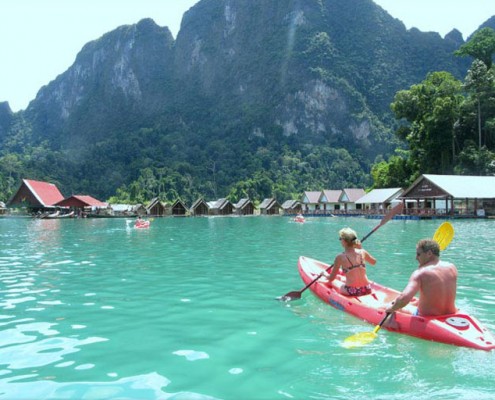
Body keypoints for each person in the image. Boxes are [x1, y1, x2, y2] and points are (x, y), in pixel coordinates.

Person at [385, 239, 457, 316]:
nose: (416, 258)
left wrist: (391, 308)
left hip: (426, 317)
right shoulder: (452, 267)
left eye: (418, 254)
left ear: (429, 253)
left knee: (385, 306)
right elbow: (437, 293)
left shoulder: (420, 273)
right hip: (451, 314)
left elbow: (404, 298)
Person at [322, 227, 377, 296]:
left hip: (351, 291)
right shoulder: (362, 252)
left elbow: (331, 278)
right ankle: (341, 279)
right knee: (344, 278)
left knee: (333, 282)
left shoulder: (340, 257)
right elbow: (373, 262)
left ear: (344, 241)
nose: (340, 240)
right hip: (367, 289)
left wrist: (324, 274)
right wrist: (360, 248)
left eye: (340, 239)